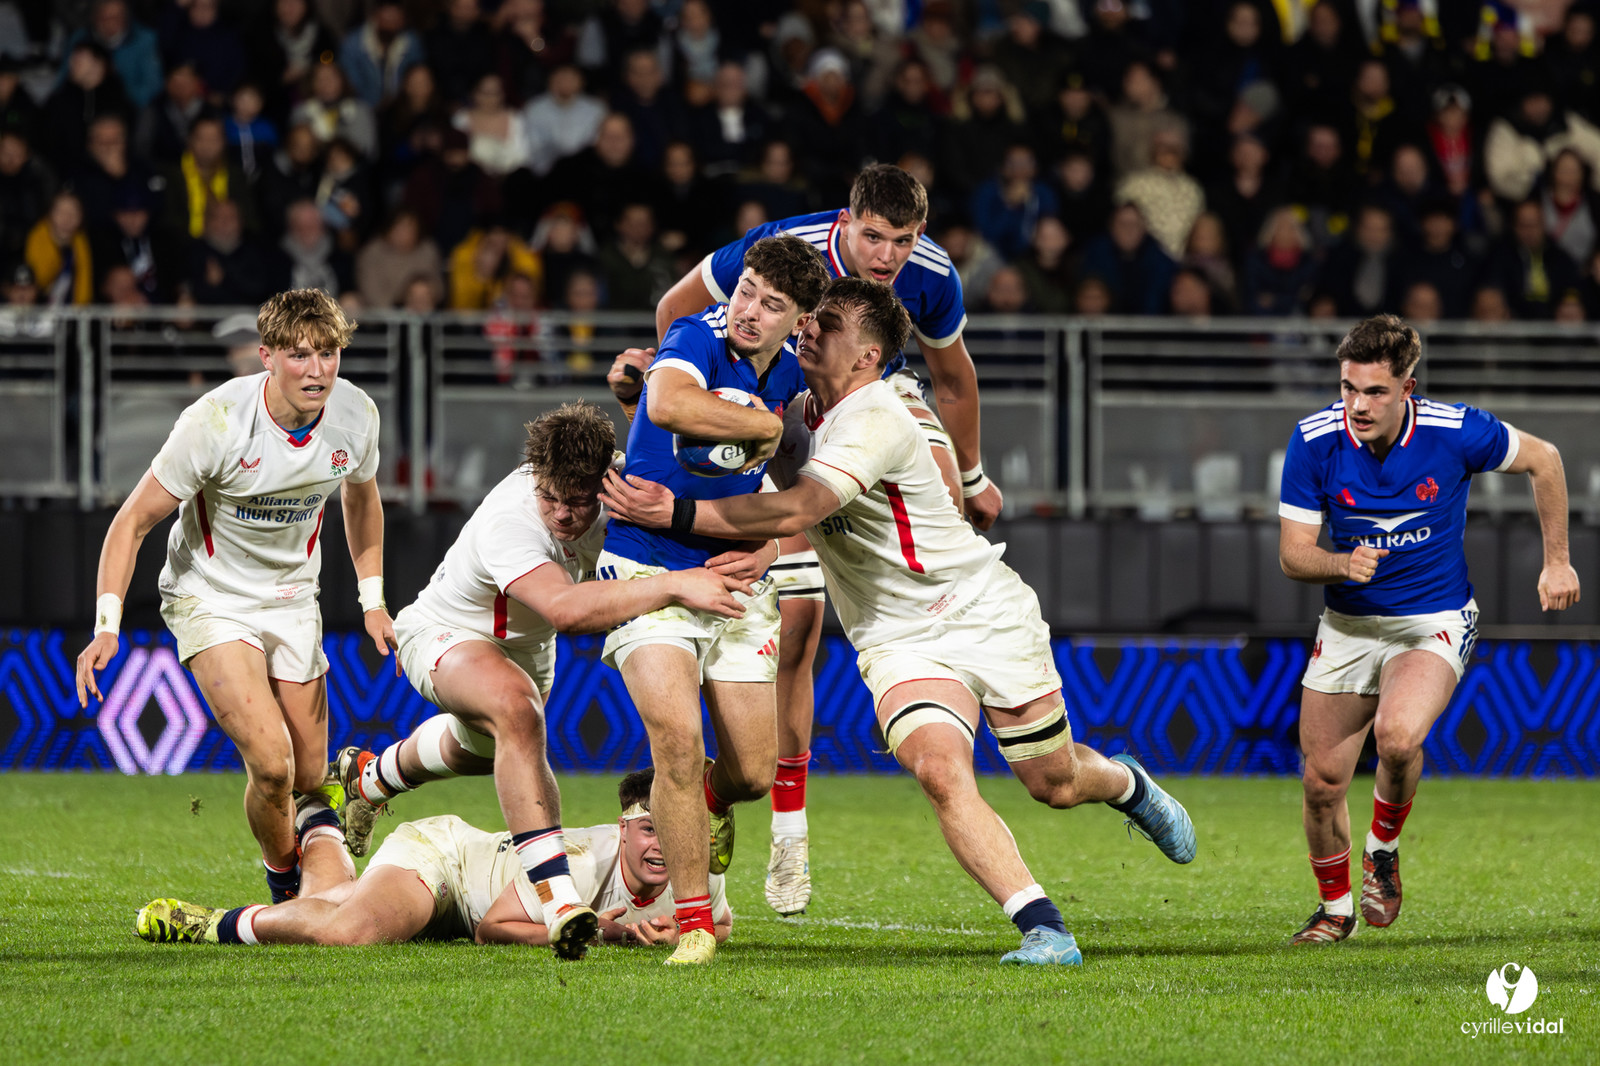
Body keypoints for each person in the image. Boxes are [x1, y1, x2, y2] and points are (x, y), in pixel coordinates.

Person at [600, 277, 1197, 966]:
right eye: (811, 317)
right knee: (941, 772)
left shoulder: (875, 416)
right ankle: (1045, 927)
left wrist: (669, 514)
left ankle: (1127, 785)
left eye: (828, 323)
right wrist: (642, 392)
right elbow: (712, 424)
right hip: (895, 636)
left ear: (867, 356)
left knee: (1055, 782)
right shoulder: (791, 399)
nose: (809, 329)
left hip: (979, 611)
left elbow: (796, 512)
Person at [643, 163, 993, 919]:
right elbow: (678, 306)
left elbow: (954, 380)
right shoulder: (783, 247)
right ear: (846, 220)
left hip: (864, 402)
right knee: (795, 620)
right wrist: (678, 380)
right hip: (776, 403)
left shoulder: (931, 277)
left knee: (915, 461)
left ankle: (792, 823)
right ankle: (785, 832)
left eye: (902, 240)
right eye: (873, 236)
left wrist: (971, 477)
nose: (887, 255)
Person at [330, 401, 753, 960]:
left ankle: (372, 777)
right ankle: (559, 903)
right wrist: (677, 584)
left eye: (577, 503)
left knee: (483, 748)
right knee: (516, 712)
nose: (560, 514)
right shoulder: (512, 517)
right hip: (446, 630)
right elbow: (566, 610)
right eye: (549, 497)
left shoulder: (626, 483)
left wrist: (761, 545)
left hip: (528, 651)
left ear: (605, 481)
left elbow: (717, 506)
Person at [74, 289, 394, 905]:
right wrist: (106, 624)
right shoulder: (214, 423)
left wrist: (372, 598)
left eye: (329, 354)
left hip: (295, 597)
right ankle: (286, 887)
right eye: (300, 355)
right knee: (272, 764)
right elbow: (131, 522)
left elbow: (361, 496)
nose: (318, 370)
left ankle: (344, 783)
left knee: (306, 776)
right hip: (210, 596)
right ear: (266, 357)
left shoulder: (356, 415)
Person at [1277, 314, 1579, 945]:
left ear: (1407, 389)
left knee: (1396, 736)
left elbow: (1545, 461)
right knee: (1321, 781)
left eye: (1375, 392)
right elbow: (1292, 554)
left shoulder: (1457, 431)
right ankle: (1336, 914)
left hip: (1432, 620)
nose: (1357, 406)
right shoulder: (1313, 440)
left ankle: (1381, 851)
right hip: (1349, 624)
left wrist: (1557, 561)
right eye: (1347, 389)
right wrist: (1340, 563)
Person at [597, 234, 830, 966]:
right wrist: (759, 423)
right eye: (748, 291)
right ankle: (694, 924)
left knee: (753, 772)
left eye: (772, 303)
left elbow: (800, 485)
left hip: (733, 577)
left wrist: (768, 544)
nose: (749, 312)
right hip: (646, 568)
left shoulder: (796, 374)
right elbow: (665, 403)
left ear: (798, 320)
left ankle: (704, 807)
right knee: (677, 742)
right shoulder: (694, 334)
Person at [136, 769, 731, 950]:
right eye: (650, 830)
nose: (664, 846)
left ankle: (318, 816)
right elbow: (492, 927)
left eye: (675, 833)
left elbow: (721, 924)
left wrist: (679, 925)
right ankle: (214, 923)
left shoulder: (695, 863)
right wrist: (611, 931)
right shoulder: (576, 857)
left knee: (319, 904)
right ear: (623, 830)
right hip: (444, 862)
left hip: (456, 891)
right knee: (351, 932)